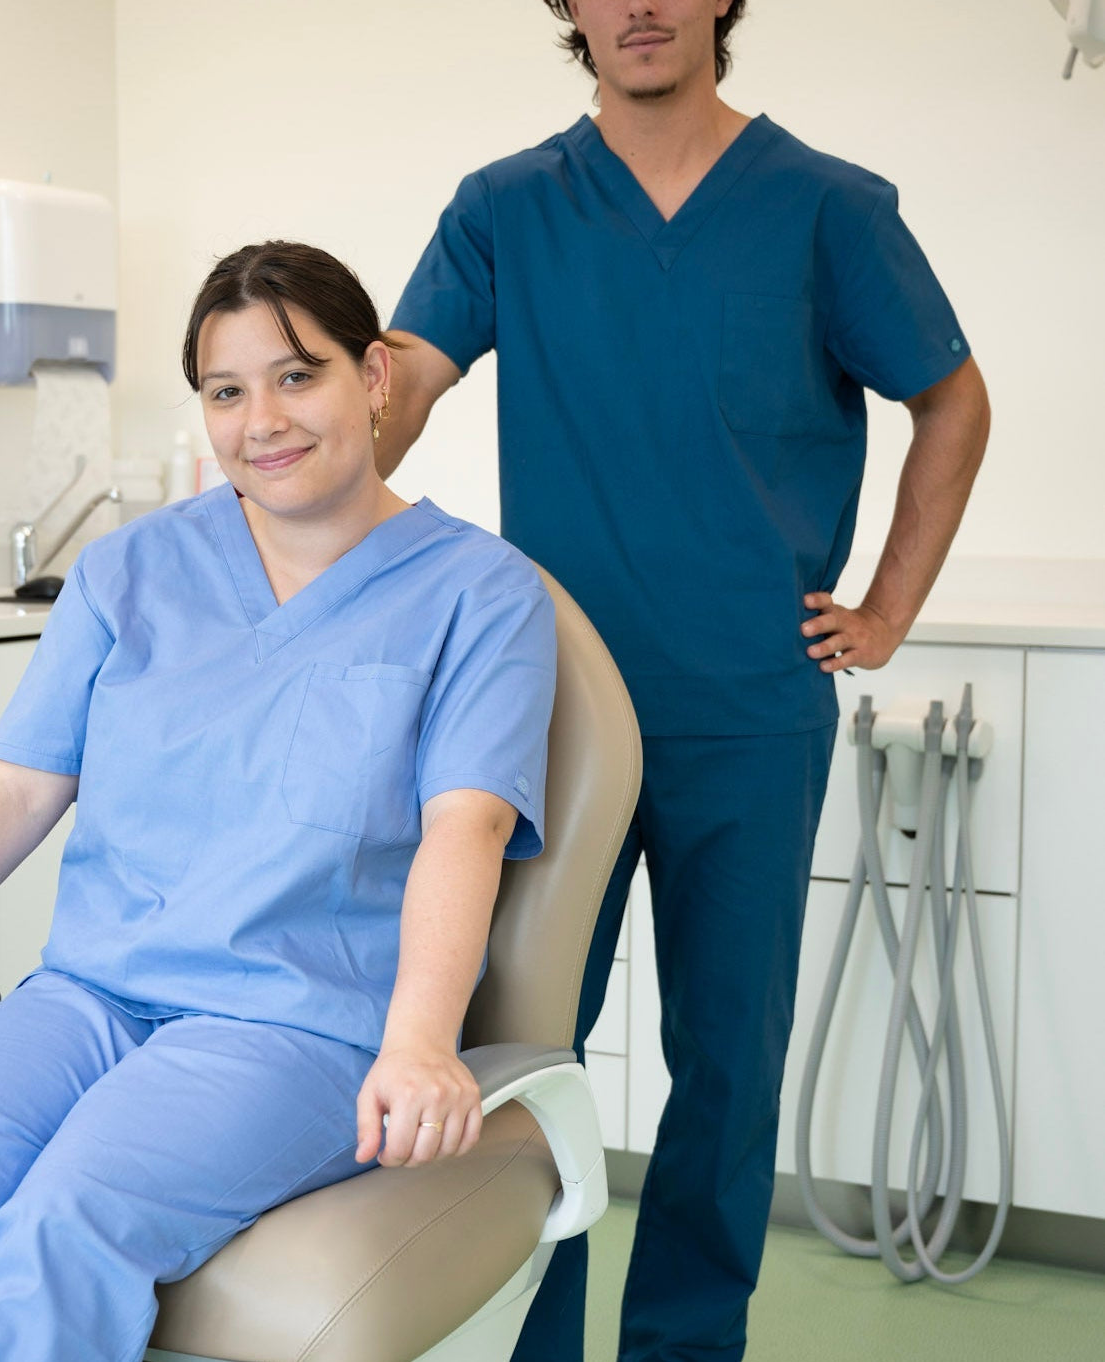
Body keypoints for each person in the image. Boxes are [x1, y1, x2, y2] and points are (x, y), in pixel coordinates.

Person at [0, 241, 557, 1362]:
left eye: (297, 374)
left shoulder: (480, 593)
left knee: (58, 1229)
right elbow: (13, 791)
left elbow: (467, 829)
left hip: (290, 1027)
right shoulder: (129, 569)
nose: (260, 420)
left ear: (374, 377)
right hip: (84, 1000)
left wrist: (420, 1041)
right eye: (226, 392)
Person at [376, 3, 992, 1359]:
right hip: (551, 721)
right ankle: (524, 1339)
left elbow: (950, 396)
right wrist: (302, 431)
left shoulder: (827, 209)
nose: (639, 4)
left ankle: (681, 1345)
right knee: (525, 1055)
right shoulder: (504, 209)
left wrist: (887, 606)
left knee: (723, 1063)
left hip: (748, 710)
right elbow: (403, 378)